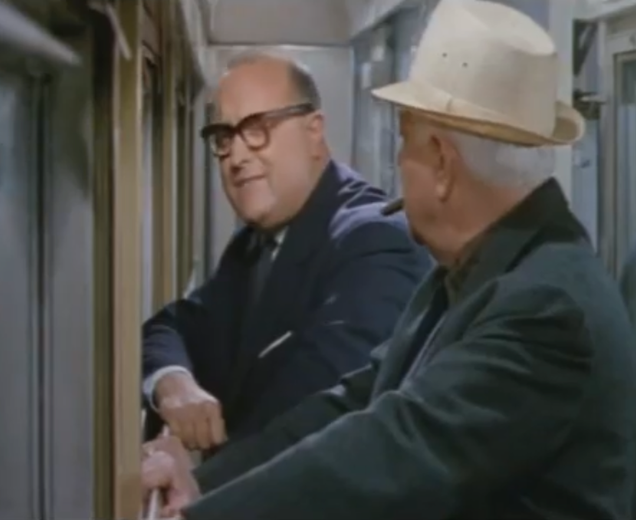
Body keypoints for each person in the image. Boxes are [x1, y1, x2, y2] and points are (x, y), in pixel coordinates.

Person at [139, 1, 636, 519]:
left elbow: (391, 450)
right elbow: (355, 401)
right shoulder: (468, 272)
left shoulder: (546, 308)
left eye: (404, 142)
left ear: (441, 163)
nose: (397, 164)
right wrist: (204, 485)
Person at [141, 50, 432, 451]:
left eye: (257, 128)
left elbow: (313, 430)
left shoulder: (375, 244)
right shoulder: (254, 241)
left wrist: (191, 482)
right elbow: (172, 325)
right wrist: (173, 382)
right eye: (224, 137)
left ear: (314, 131)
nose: (236, 157)